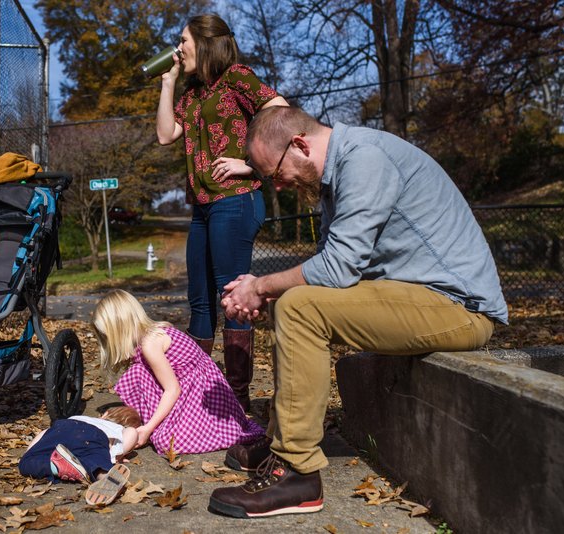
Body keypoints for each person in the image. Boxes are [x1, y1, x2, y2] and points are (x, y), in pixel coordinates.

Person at [207, 106, 508, 518]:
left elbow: (338, 268)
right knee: (288, 306)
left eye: (275, 173)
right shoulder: (336, 177)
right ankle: (282, 442)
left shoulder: (365, 159)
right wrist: (263, 300)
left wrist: (259, 286)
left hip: (459, 306)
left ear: (299, 144)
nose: (278, 186)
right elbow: (327, 274)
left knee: (296, 307)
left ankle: (297, 473)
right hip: (416, 295)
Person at [155, 13, 288, 411]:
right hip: (202, 207)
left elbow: (280, 111)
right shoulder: (192, 93)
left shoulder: (237, 78)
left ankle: (237, 398)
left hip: (235, 199)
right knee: (200, 300)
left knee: (233, 297)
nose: (178, 48)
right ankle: (197, 392)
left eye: (183, 40)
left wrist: (251, 163)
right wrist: (168, 82)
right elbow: (165, 135)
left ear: (205, 41)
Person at [91, 289, 266, 455]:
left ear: (119, 328)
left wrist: (149, 428)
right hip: (193, 388)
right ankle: (158, 421)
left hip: (202, 397)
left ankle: (170, 424)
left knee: (166, 441)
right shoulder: (150, 335)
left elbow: (173, 389)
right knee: (137, 372)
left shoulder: (150, 343)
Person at [18, 406, 140, 505]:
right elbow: (132, 433)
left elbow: (45, 433)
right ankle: (104, 476)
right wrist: (116, 455)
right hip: (93, 435)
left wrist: (30, 451)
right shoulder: (117, 428)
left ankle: (57, 465)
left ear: (105, 414)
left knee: (27, 464)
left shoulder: (79, 417)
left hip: (62, 427)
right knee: (94, 461)